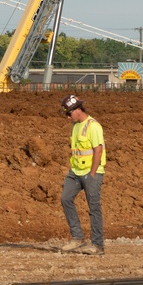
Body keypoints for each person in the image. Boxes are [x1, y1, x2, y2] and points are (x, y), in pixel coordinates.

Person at [59, 94, 105, 255]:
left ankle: (97, 245)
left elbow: (98, 150)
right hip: (76, 172)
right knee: (65, 198)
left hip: (91, 173)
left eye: (69, 113)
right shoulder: (75, 125)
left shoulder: (93, 126)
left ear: (77, 110)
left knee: (93, 207)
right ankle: (77, 237)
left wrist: (92, 173)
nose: (68, 117)